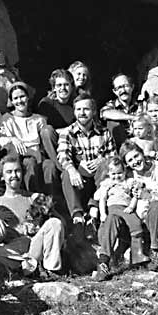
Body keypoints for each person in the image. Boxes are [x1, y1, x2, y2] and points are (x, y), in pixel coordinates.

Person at [0, 155, 65, 279]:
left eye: (17, 171)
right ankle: (28, 266)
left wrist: (43, 208)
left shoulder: (32, 198)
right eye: (9, 172)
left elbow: (59, 222)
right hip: (12, 248)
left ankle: (50, 269)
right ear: (2, 176)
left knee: (55, 223)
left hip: (33, 244)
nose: (14, 175)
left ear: (22, 173)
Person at [57, 95, 116, 226]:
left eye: (86, 109)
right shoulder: (68, 132)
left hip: (98, 180)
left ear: (94, 111)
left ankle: (94, 209)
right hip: (79, 180)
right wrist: (73, 170)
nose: (82, 113)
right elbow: (63, 155)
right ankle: (77, 216)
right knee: (66, 173)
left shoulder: (104, 132)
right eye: (78, 109)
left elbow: (113, 157)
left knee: (107, 167)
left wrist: (102, 160)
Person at [117, 141, 158, 271]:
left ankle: (155, 251)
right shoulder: (130, 176)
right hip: (142, 219)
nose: (135, 162)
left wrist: (149, 194)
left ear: (142, 154)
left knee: (155, 205)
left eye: (136, 156)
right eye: (130, 160)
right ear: (127, 164)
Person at [93, 157, 147, 281]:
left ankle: (137, 255)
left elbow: (135, 195)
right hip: (113, 209)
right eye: (113, 174)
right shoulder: (107, 184)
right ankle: (103, 263)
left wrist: (131, 206)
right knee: (110, 220)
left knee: (136, 223)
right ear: (108, 174)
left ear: (124, 172)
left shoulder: (128, 182)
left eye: (119, 173)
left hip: (125, 209)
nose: (117, 177)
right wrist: (102, 214)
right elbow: (102, 199)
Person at [0, 82, 51, 193]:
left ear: (27, 97)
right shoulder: (7, 118)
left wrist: (36, 154)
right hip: (15, 156)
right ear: (11, 101)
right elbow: (2, 141)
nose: (19, 101)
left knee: (33, 163)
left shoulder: (38, 119)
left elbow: (43, 143)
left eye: (22, 96)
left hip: (35, 156)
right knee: (27, 162)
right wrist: (12, 138)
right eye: (15, 98)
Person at [36, 69, 77, 196]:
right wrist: (66, 130)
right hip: (53, 147)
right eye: (59, 85)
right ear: (54, 88)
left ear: (71, 86)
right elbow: (42, 129)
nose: (63, 88)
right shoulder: (47, 103)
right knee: (46, 131)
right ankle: (63, 167)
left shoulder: (76, 103)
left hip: (73, 145)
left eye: (66, 85)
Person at [100, 74, 139, 147]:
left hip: (140, 143)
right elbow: (105, 113)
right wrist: (133, 117)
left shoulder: (141, 105)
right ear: (114, 91)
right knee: (112, 123)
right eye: (119, 88)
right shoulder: (111, 105)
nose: (123, 90)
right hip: (122, 147)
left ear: (132, 87)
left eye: (126, 86)